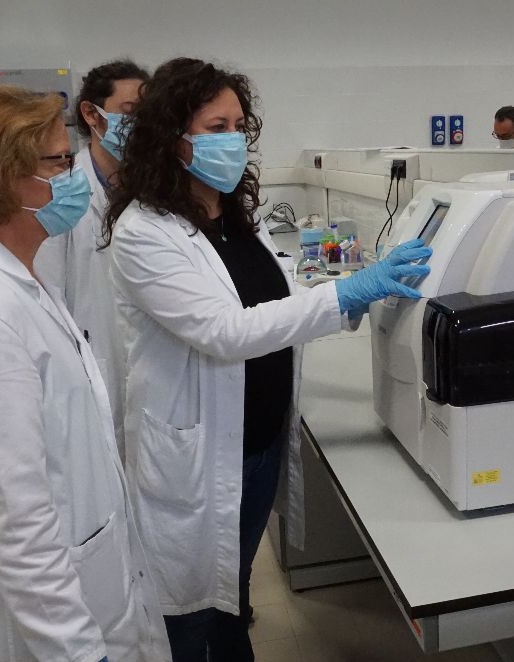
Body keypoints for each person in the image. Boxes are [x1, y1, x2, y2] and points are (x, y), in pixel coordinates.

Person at [104, 57, 431, 662]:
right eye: (215, 127)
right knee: (187, 612)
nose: (232, 140)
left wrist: (356, 295)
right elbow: (225, 330)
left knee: (231, 588)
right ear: (170, 137)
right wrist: (345, 294)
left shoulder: (229, 215)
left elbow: (273, 300)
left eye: (238, 125)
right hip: (200, 454)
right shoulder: (145, 231)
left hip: (257, 443)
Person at [0, 85, 169, 662]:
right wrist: (78, 652)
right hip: (59, 627)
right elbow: (16, 521)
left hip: (96, 570)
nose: (74, 175)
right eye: (59, 162)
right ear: (0, 176)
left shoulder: (25, 282)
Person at [35, 58, 149, 457]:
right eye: (129, 112)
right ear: (91, 113)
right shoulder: (63, 196)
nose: (141, 126)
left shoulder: (156, 192)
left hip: (150, 369)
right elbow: (45, 300)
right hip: (91, 368)